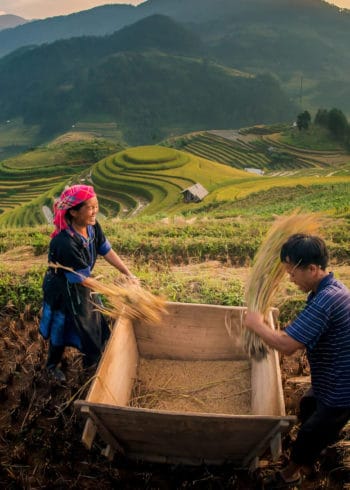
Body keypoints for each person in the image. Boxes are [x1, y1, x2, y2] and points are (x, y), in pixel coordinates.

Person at [244, 234, 350, 488]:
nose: (290, 280)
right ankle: (314, 452)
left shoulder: (325, 301)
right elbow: (309, 328)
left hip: (343, 388)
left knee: (310, 434)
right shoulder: (330, 290)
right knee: (307, 407)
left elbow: (287, 346)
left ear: (312, 269)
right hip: (330, 377)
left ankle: (292, 473)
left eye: (293, 273)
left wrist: (256, 325)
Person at [39, 184, 138, 381]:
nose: (95, 211)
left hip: (82, 283)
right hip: (62, 289)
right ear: (74, 212)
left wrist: (128, 273)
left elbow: (106, 250)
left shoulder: (92, 227)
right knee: (62, 325)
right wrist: (116, 292)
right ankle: (52, 365)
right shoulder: (65, 242)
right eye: (90, 208)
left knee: (94, 321)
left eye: (96, 206)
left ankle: (91, 360)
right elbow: (81, 279)